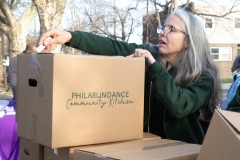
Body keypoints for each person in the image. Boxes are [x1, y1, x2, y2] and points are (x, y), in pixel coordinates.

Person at [38, 8, 222, 144]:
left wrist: (153, 66)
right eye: (163, 27)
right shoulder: (151, 54)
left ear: (188, 40)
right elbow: (113, 46)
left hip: (185, 152)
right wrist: (70, 36)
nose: (162, 33)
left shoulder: (203, 76)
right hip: (150, 147)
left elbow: (179, 105)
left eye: (171, 29)